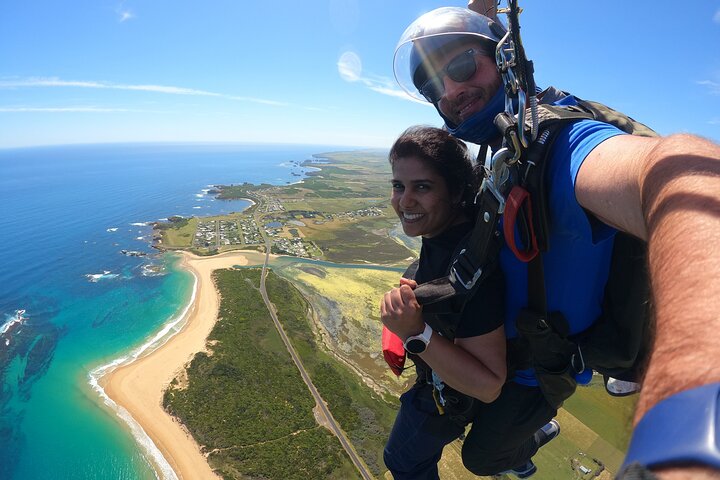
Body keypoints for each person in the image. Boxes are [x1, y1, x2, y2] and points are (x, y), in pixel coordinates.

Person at [391, 4, 720, 480]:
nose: (451, 92)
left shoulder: (562, 145)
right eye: (432, 88)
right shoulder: (502, 142)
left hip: (537, 372)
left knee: (482, 458)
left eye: (462, 66)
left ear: (506, 61)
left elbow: (681, 174)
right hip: (496, 348)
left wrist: (686, 417)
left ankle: (534, 438)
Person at [380, 125, 560, 478]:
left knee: (402, 461)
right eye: (398, 186)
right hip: (451, 369)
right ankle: (519, 449)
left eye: (423, 187)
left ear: (457, 191)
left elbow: (488, 385)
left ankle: (524, 444)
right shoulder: (452, 233)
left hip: (460, 391)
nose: (404, 201)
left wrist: (414, 332)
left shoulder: (472, 269)